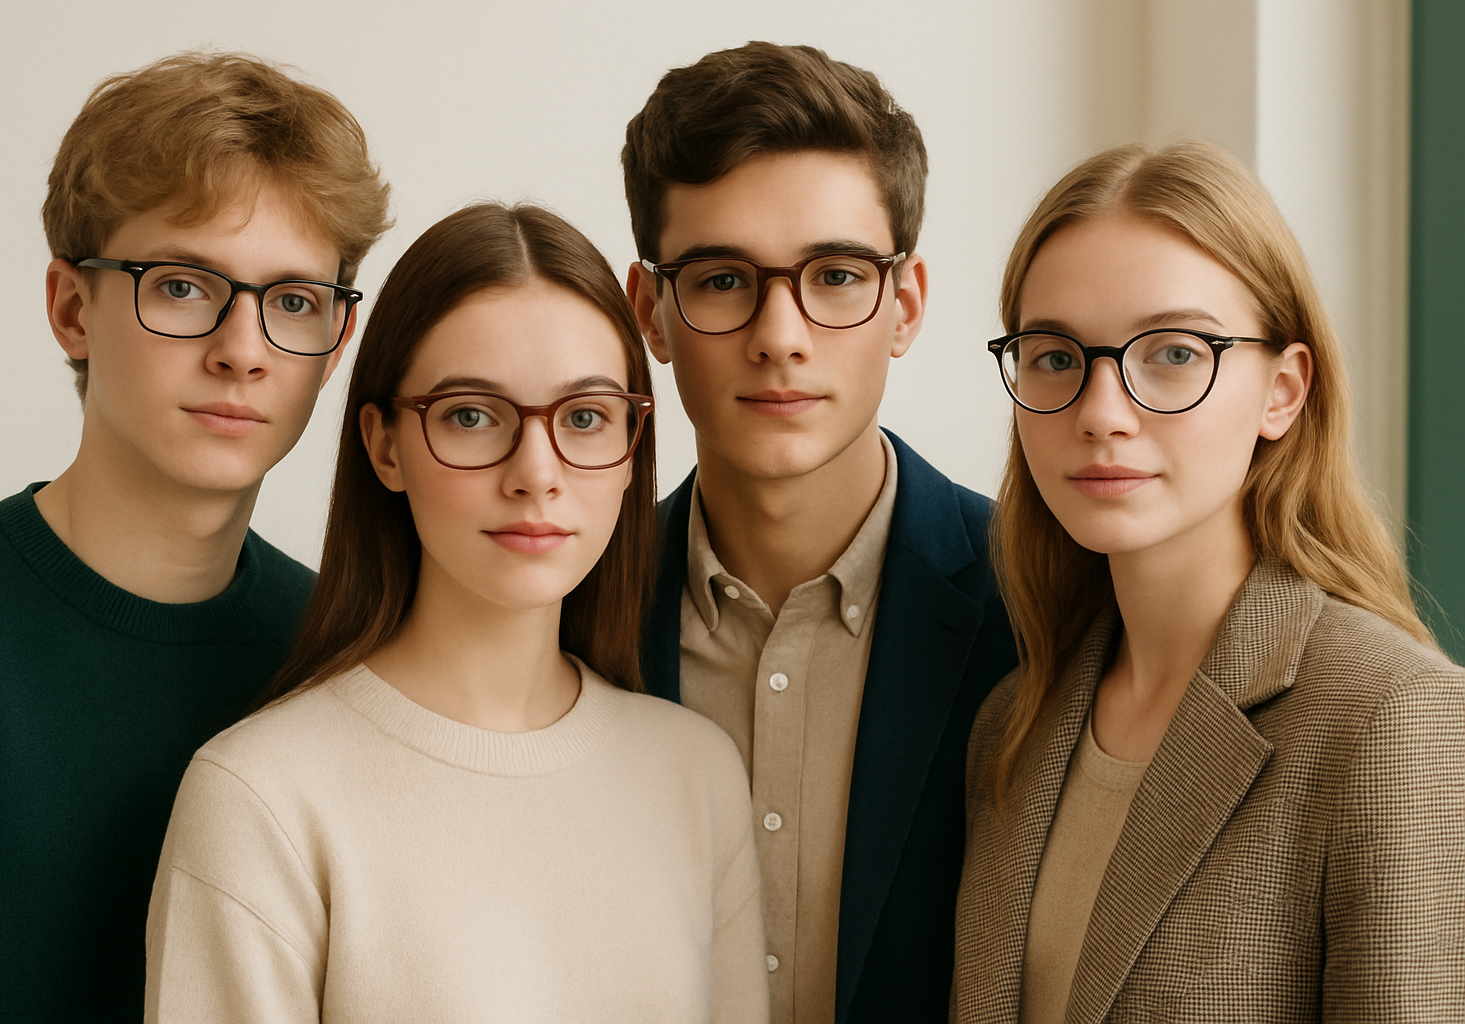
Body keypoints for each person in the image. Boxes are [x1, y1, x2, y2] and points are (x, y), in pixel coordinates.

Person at [144, 203, 770, 1023]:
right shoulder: (262, 798)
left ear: (632, 446)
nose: (535, 473)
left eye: (584, 418)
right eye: (472, 416)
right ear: (385, 446)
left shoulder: (696, 773)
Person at [954, 141, 1465, 1022]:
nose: (1103, 413)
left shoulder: (1394, 717)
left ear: (1283, 390)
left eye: (1175, 353)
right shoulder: (1014, 722)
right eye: (1055, 356)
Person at [0, 52, 390, 1022]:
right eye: (182, 286)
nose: (244, 348)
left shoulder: (349, 657)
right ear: (71, 308)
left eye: (295, 300)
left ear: (336, 342)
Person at [623, 41, 1018, 1024]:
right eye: (721, 279)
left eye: (835, 275)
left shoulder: (1044, 602)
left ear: (905, 305)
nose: (780, 333)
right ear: (653, 313)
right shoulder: (567, 613)